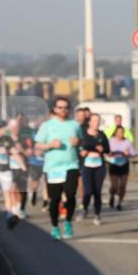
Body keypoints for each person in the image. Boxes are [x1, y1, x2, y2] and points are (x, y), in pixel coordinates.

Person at [35, 96, 82, 240]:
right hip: (53, 168)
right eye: (60, 107)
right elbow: (37, 145)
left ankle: (68, 222)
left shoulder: (75, 125)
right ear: (54, 109)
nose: (63, 110)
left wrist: (77, 142)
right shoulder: (47, 125)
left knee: (70, 194)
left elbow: (80, 141)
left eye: (66, 107)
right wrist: (50, 145)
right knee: (54, 199)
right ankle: (55, 226)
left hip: (71, 165)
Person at [79, 113, 110, 225]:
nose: (96, 123)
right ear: (90, 122)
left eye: (98, 121)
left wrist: (102, 149)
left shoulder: (102, 135)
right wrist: (83, 152)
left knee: (97, 192)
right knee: (87, 191)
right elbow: (79, 149)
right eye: (94, 121)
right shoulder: (83, 135)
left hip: (99, 166)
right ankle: (84, 209)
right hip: (87, 166)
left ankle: (97, 215)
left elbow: (107, 150)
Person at [108, 126, 136, 210]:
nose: (120, 134)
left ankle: (119, 203)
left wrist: (128, 154)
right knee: (114, 186)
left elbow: (134, 153)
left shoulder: (127, 142)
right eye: (119, 132)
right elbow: (106, 151)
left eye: (122, 132)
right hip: (113, 164)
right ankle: (112, 195)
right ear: (115, 132)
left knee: (123, 186)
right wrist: (110, 153)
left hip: (124, 164)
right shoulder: (111, 141)